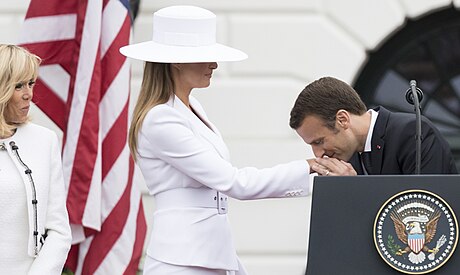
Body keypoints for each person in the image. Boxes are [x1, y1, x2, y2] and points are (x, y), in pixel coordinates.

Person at [120, 5, 353, 275]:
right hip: (182, 259)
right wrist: (312, 168)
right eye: (206, 56)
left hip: (212, 255)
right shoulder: (161, 119)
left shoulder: (191, 108)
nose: (214, 65)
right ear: (177, 60)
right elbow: (234, 182)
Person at [290, 76, 458, 175]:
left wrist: (350, 188)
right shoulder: (345, 157)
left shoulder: (413, 133)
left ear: (342, 119)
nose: (318, 154)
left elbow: (424, 212)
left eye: (319, 141)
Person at [0, 44, 72, 274]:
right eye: (18, 85)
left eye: (31, 83)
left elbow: (59, 230)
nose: (28, 94)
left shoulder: (45, 140)